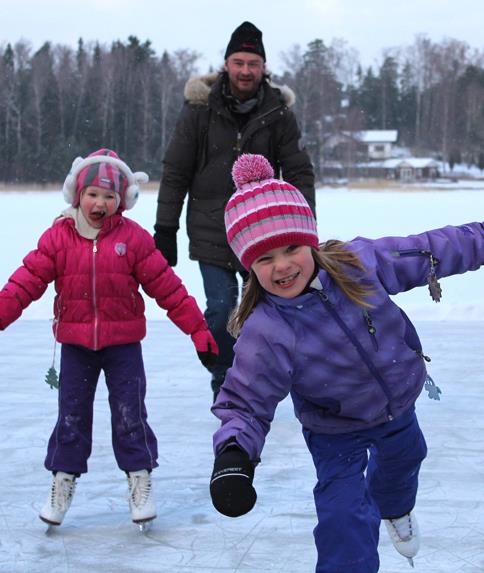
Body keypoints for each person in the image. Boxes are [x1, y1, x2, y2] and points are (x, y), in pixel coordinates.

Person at [209, 153, 484, 573]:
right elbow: (245, 402)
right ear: (249, 267)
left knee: (407, 459)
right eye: (264, 259)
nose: (282, 266)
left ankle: (395, 508)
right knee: (343, 518)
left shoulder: (357, 265)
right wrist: (234, 459)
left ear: (310, 242)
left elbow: (431, 249)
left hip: (399, 404)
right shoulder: (266, 329)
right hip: (334, 432)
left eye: (290, 248)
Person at [0, 149, 218, 529]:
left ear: (121, 201)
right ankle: (62, 482)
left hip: (123, 346)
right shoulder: (58, 238)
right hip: (75, 346)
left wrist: (198, 328)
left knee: (130, 415)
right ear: (77, 195)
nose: (100, 203)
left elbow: (168, 288)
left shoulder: (132, 239)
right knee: (71, 417)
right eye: (92, 194)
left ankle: (139, 480)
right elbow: (25, 282)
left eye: (109, 196)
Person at [154, 21, 315, 401]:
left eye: (253, 63)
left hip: (263, 232)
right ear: (226, 64)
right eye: (239, 61)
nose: (245, 70)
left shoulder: (278, 113)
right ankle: (225, 380)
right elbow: (176, 171)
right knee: (222, 309)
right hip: (210, 229)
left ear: (264, 68)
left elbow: (298, 171)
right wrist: (165, 228)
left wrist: (306, 231)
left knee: (265, 308)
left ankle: (260, 377)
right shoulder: (199, 110)